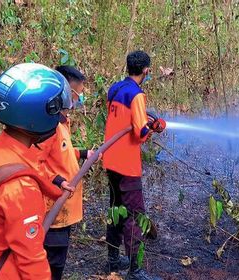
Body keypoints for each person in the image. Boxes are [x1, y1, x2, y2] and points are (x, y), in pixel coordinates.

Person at [0, 63, 74, 279]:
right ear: (39, 116)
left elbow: (27, 165)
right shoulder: (22, 189)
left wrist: (55, 182)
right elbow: (31, 260)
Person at [103, 50, 164, 280]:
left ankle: (112, 259)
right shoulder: (137, 95)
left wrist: (145, 120)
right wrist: (155, 126)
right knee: (135, 215)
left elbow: (123, 121)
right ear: (145, 70)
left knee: (115, 210)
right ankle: (135, 270)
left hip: (110, 160)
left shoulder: (115, 89)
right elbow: (140, 134)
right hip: (127, 165)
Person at [39, 65, 96, 280]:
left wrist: (83, 153)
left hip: (64, 209)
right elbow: (35, 162)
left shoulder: (62, 122)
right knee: (51, 265)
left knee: (58, 262)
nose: (80, 98)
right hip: (52, 211)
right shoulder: (48, 125)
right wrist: (58, 180)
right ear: (64, 93)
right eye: (77, 94)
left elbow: (59, 152)